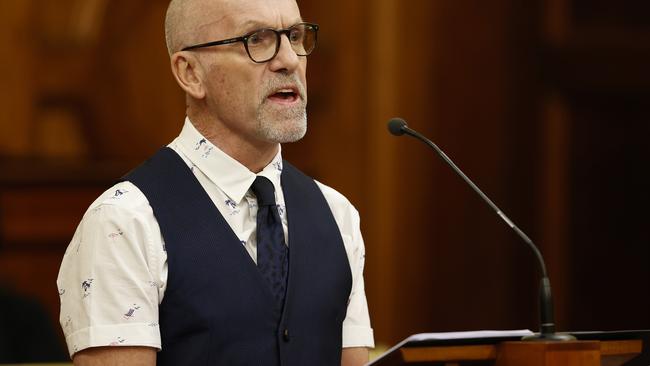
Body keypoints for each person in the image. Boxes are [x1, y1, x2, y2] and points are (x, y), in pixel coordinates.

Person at [56, 0, 374, 365]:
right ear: (191, 72)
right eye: (258, 39)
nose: (289, 60)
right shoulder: (124, 222)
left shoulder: (338, 214)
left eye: (296, 36)